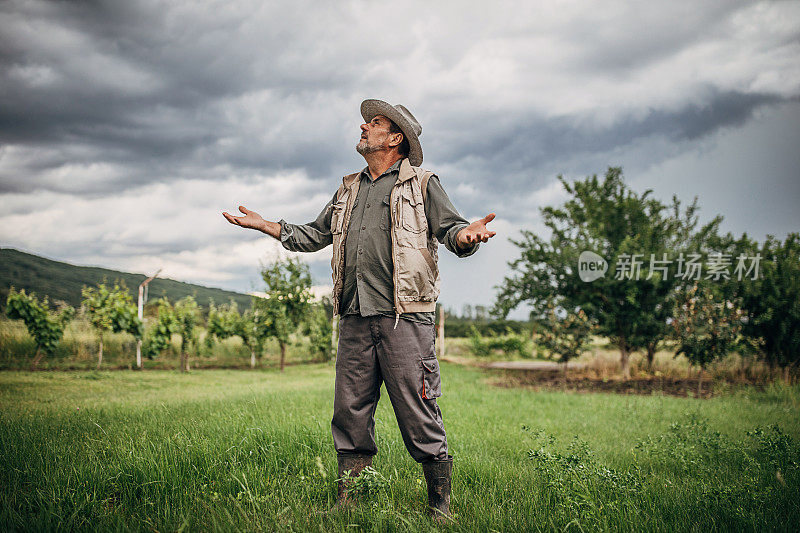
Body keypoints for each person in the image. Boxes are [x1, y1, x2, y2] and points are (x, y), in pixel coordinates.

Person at [223, 99, 496, 521]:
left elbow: (451, 229)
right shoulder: (348, 187)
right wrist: (268, 226)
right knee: (349, 410)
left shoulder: (421, 184)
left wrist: (466, 237)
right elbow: (315, 234)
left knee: (417, 408)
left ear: (395, 138)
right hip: (353, 315)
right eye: (366, 122)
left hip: (405, 317)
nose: (364, 127)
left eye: (375, 123)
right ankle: (349, 502)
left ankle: (439, 505)